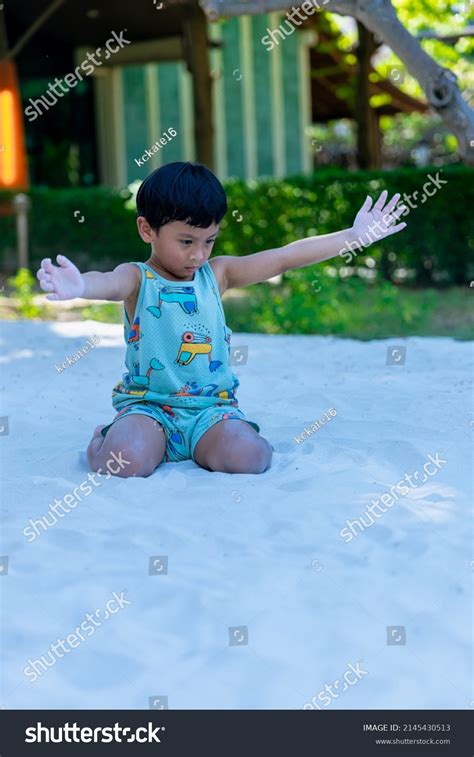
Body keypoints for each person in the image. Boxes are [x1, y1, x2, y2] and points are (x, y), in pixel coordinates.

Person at [36, 162, 406, 478]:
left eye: (209, 241)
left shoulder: (218, 274)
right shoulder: (137, 279)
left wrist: (352, 237)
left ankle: (213, 442)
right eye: (186, 242)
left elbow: (282, 258)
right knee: (123, 462)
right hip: (149, 408)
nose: (198, 254)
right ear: (147, 229)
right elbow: (109, 283)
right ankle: (102, 438)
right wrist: (82, 284)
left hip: (210, 411)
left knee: (252, 457)